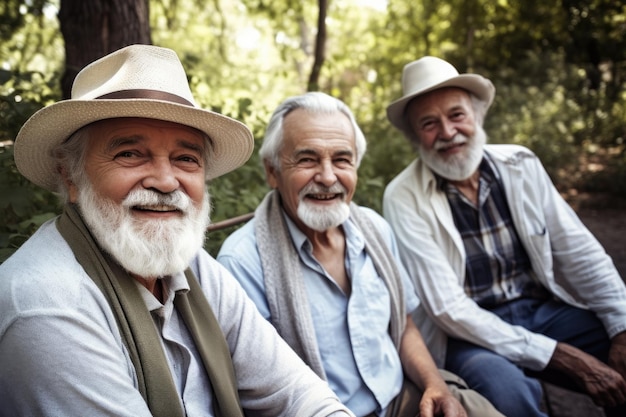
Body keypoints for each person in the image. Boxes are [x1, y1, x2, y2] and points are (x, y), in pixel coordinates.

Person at [0, 44, 356, 417]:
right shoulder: (47, 304)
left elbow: (295, 392)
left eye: (186, 158)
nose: (167, 182)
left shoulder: (193, 269)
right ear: (70, 174)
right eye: (129, 154)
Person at [217, 92, 504, 417]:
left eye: (341, 160)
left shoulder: (375, 230)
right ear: (272, 172)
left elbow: (403, 326)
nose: (327, 177)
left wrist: (433, 385)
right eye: (308, 159)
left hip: (405, 398)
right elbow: (259, 388)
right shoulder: (242, 263)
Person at [383, 55, 626, 417]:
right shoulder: (402, 196)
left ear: (476, 115)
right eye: (429, 123)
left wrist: (621, 324)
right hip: (467, 336)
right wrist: (555, 354)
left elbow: (579, 253)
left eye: (456, 115)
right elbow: (449, 309)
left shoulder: (520, 164)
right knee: (509, 397)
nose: (448, 132)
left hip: (542, 311)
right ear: (414, 135)